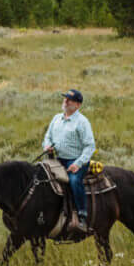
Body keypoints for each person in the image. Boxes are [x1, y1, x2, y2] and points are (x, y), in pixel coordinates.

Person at [41, 89, 96, 233]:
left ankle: (82, 216)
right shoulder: (56, 118)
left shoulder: (82, 122)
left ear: (77, 105)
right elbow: (48, 137)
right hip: (58, 159)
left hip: (76, 160)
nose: (65, 101)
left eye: (69, 100)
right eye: (65, 98)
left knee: (73, 181)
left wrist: (78, 164)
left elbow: (90, 146)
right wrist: (47, 146)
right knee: (41, 177)